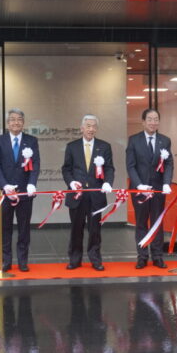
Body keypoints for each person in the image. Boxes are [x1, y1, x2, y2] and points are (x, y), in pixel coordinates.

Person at [62, 114, 114, 271]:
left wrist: (107, 183)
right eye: (88, 126)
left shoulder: (104, 146)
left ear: (97, 129)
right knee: (76, 229)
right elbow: (66, 169)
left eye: (94, 126)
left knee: (95, 230)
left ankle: (95, 259)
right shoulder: (72, 146)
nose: (91, 129)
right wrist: (71, 182)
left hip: (96, 195)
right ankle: (75, 259)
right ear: (81, 128)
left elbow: (109, 168)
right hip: (77, 195)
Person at [0, 108, 40, 272]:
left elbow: (36, 164)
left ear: (23, 122)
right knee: (5, 228)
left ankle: (23, 260)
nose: (15, 122)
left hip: (24, 192)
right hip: (4, 192)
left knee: (24, 228)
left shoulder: (31, 140)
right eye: (12, 119)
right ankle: (6, 261)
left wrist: (32, 183)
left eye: (19, 119)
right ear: (7, 123)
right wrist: (5, 185)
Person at [126, 108, 172, 269]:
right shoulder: (133, 140)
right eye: (150, 119)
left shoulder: (165, 140)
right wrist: (139, 185)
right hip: (140, 189)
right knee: (141, 223)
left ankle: (158, 256)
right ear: (143, 122)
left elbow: (168, 164)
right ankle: (142, 256)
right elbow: (130, 166)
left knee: (157, 223)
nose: (153, 122)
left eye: (156, 119)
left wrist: (167, 182)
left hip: (158, 189)